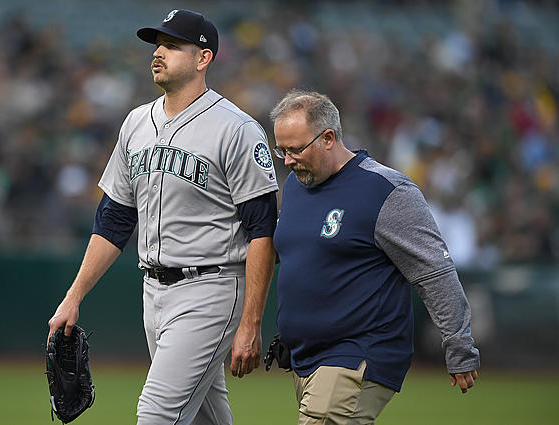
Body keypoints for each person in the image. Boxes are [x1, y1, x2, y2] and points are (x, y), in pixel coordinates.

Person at [47, 9, 279, 425]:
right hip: (152, 293)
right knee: (207, 417)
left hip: (212, 288)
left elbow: (262, 230)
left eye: (173, 45)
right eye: (158, 44)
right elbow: (114, 220)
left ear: (203, 58)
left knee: (156, 413)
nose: (159, 52)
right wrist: (73, 296)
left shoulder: (236, 129)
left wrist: (252, 322)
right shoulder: (136, 122)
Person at [270, 90, 479, 425]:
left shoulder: (387, 191)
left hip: (358, 354)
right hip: (305, 358)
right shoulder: (296, 186)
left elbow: (434, 272)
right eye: (282, 150)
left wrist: (459, 344)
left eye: (295, 149)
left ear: (328, 138)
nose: (288, 160)